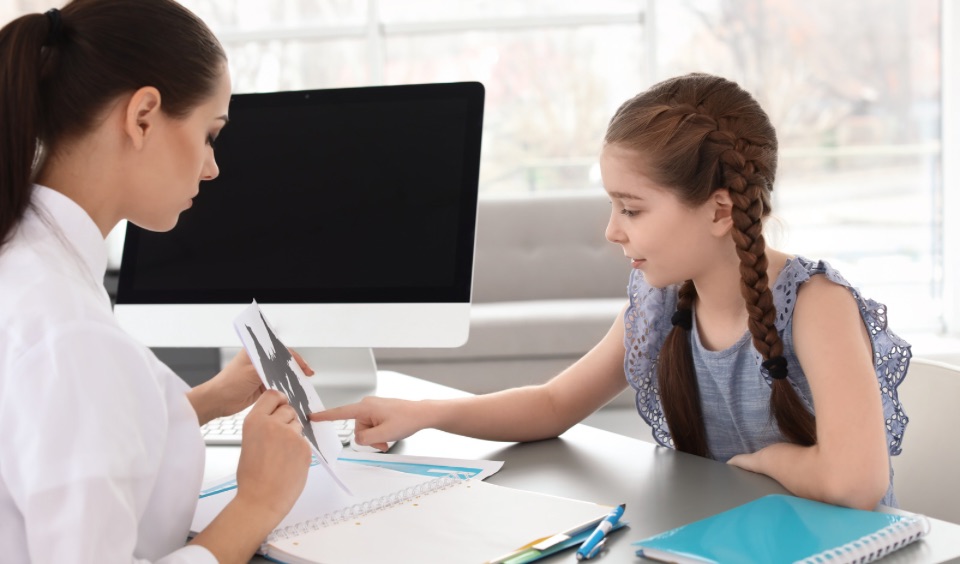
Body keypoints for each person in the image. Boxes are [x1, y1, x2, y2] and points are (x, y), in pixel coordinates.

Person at [312, 73, 911, 511]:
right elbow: (553, 405)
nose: (611, 231)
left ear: (720, 210)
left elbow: (855, 483)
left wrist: (769, 461)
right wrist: (427, 413)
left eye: (631, 208)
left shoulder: (815, 305)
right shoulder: (662, 305)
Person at [0, 1, 313, 562]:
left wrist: (207, 401)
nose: (212, 167)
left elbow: (57, 438)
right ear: (143, 116)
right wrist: (258, 502)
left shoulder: (29, 269)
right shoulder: (72, 334)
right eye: (209, 134)